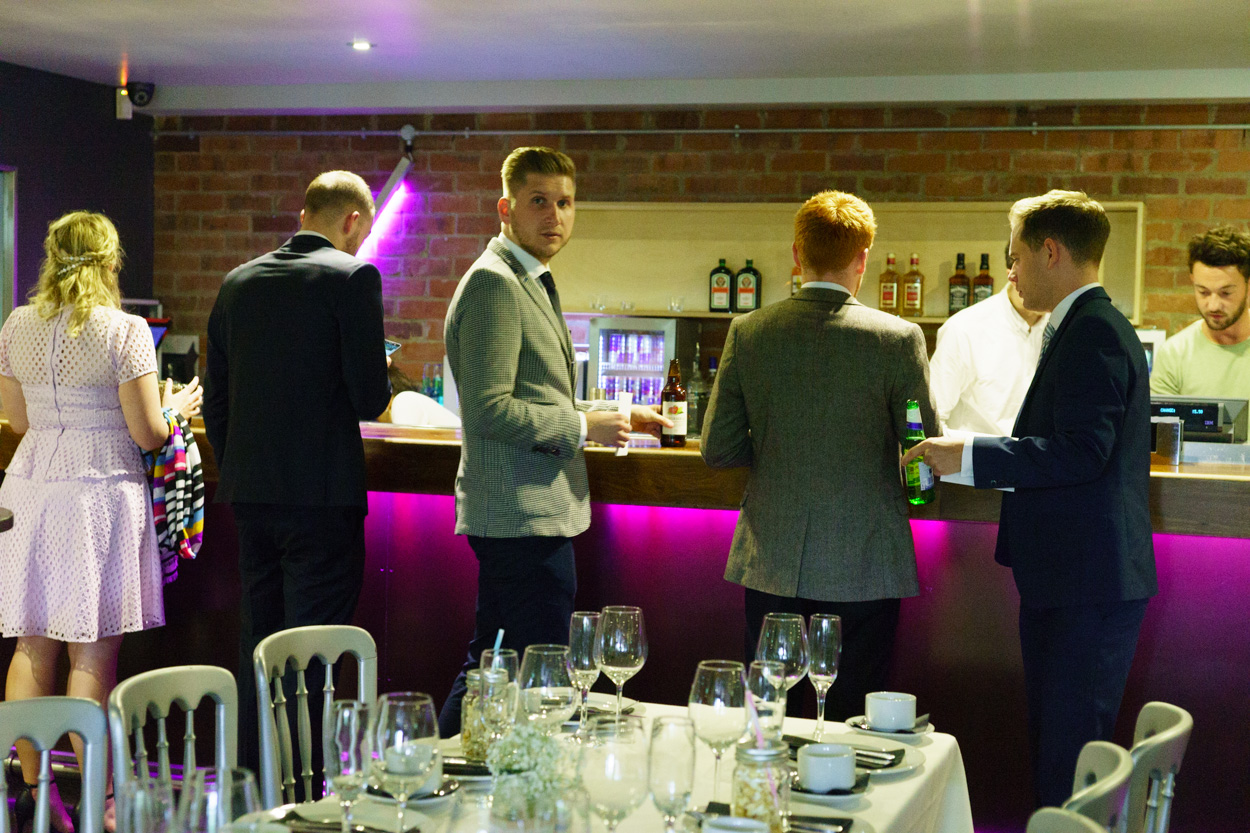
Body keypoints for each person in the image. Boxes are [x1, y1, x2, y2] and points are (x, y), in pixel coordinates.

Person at [902, 190, 1157, 807]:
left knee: (1067, 762)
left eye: (1015, 257)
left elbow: (1078, 452)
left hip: (1085, 585)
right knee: (1057, 748)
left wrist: (966, 454)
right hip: (1075, 581)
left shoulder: (1091, 330)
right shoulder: (1085, 324)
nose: (1009, 271)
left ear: (1051, 252)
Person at [439, 146, 670, 735]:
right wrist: (581, 427)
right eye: (539, 201)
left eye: (565, 202)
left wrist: (611, 413)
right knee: (519, 670)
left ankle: (447, 786)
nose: (555, 215)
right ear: (505, 209)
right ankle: (440, 786)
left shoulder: (528, 278)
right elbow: (488, 411)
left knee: (497, 664)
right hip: (519, 515)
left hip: (532, 514)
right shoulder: (495, 282)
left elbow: (533, 392)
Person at [700, 190, 937, 721]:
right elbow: (921, 456)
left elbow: (718, 450)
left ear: (796, 254)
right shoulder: (898, 338)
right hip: (866, 564)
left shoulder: (750, 331)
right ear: (863, 258)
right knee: (853, 720)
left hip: (771, 560)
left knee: (771, 717)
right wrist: (919, 494)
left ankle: (766, 803)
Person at [0, 211, 202, 832]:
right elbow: (146, 431)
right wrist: (173, 409)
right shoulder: (125, 330)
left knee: (33, 640)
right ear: (110, 262)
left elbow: (16, 418)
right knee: (92, 652)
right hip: (98, 492)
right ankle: (96, 803)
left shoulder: (17, 323)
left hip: (31, 488)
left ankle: (34, 793)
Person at [203, 171, 392, 773]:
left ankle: (258, 786)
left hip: (252, 499)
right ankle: (307, 792)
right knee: (313, 655)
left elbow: (217, 400)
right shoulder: (354, 276)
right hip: (321, 499)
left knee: (259, 650)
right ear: (354, 222)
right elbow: (369, 399)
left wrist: (241, 470)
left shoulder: (237, 283)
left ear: (304, 212)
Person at [930, 248, 1048, 436]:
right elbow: (931, 421)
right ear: (1012, 273)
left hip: (1040, 462)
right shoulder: (963, 329)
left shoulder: (1062, 329)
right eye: (1041, 277)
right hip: (975, 463)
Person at [1151, 225, 1250, 398]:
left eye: (1225, 293)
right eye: (1203, 292)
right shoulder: (1174, 354)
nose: (1213, 305)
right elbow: (1161, 424)